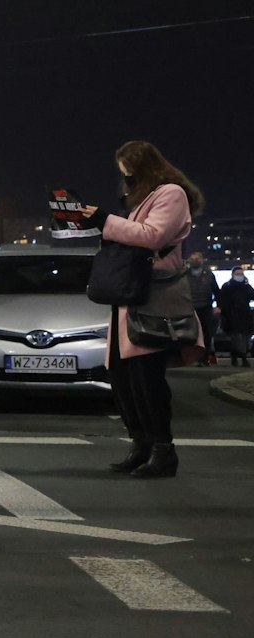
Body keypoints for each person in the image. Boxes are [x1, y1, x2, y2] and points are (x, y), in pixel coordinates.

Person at [80, 140, 204, 479]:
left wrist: (105, 219)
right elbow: (133, 237)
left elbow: (151, 236)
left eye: (128, 171)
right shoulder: (144, 198)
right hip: (130, 294)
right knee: (124, 379)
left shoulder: (170, 193)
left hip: (153, 296)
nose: (126, 177)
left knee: (147, 379)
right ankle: (142, 445)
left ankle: (163, 450)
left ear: (142, 167)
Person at [186, 253, 219, 365]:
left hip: (206, 307)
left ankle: (204, 358)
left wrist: (218, 306)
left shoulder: (208, 274)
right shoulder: (184, 274)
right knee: (192, 333)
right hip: (190, 307)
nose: (195, 261)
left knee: (207, 333)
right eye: (193, 259)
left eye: (197, 258)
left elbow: (216, 290)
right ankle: (193, 357)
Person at [218, 267, 252, 368]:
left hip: (245, 314)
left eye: (241, 274)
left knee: (244, 338)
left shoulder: (246, 286)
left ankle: (236, 356)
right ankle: (243, 358)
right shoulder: (227, 286)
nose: (240, 276)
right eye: (237, 274)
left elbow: (252, 295)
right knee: (237, 337)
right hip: (232, 315)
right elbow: (222, 300)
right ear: (233, 275)